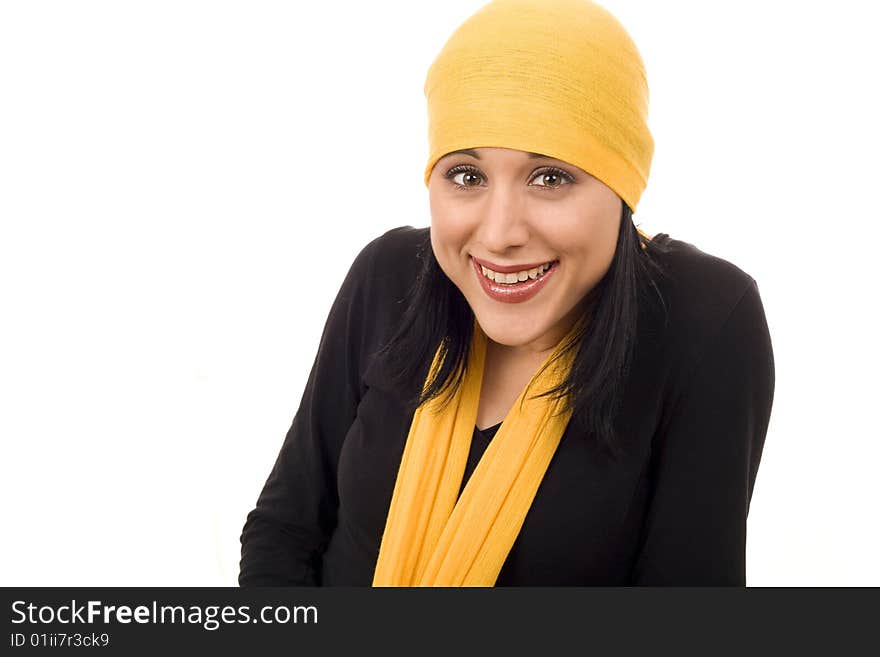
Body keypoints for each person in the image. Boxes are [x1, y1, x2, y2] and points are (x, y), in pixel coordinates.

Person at [239, 0, 775, 586]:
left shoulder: (704, 322)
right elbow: (285, 529)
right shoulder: (388, 273)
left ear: (623, 186)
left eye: (551, 178)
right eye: (467, 176)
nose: (498, 235)